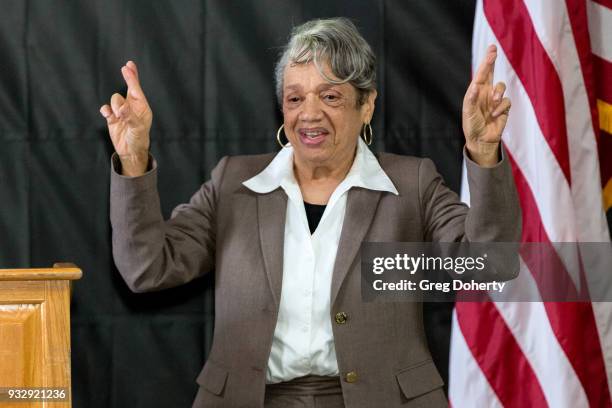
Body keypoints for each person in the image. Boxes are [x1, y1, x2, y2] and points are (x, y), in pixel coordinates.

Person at [100, 17, 519, 408]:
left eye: (331, 95)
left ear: (367, 105)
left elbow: (489, 266)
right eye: (295, 97)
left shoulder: (412, 184)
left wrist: (483, 153)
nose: (310, 113)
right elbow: (146, 268)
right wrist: (134, 159)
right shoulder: (234, 183)